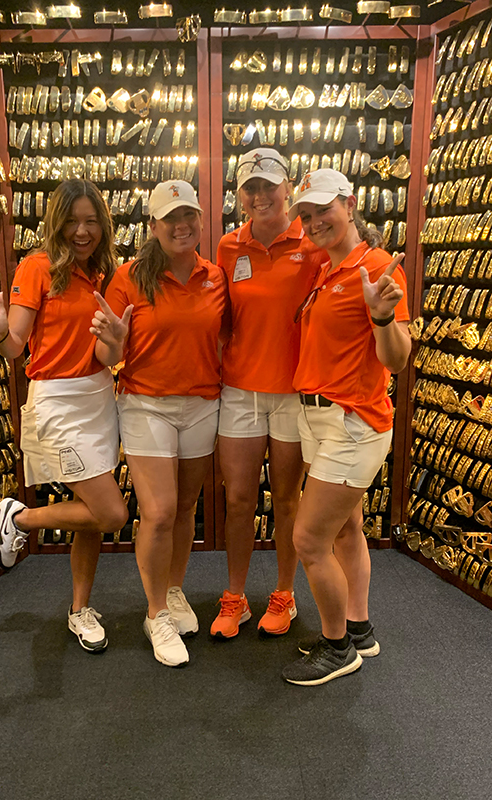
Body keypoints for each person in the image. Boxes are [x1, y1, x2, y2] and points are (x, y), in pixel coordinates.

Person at [0, 178, 129, 653]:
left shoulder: (103, 272)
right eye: (73, 221)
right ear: (56, 222)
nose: (82, 231)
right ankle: (22, 520)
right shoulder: (36, 267)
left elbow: (106, 347)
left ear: (103, 224)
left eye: (91, 221)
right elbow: (16, 343)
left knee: (93, 518)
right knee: (111, 513)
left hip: (99, 398)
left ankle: (80, 609)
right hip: (57, 401)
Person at [280, 168, 411, 686]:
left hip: (352, 419)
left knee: (309, 539)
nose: (313, 223)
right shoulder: (325, 267)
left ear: (351, 204)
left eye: (322, 211)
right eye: (305, 216)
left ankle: (337, 648)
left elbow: (397, 360)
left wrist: (382, 320)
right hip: (319, 414)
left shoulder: (376, 267)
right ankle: (359, 629)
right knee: (347, 527)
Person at [93, 180, 227, 667]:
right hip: (146, 404)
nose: (181, 226)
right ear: (153, 226)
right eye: (170, 218)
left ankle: (173, 590)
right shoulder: (129, 278)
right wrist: (114, 340)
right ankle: (155, 614)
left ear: (200, 220)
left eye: (188, 215)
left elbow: (225, 337)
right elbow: (106, 352)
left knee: (186, 504)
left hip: (202, 403)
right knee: (160, 511)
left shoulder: (216, 276)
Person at [210, 147, 325, 640]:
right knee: (238, 499)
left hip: (293, 393)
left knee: (285, 499)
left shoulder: (312, 243)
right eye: (250, 188)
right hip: (239, 390)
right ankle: (234, 596)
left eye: (268, 186)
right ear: (240, 195)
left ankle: (284, 593)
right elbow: (223, 320)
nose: (259, 196)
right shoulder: (227, 247)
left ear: (288, 188)